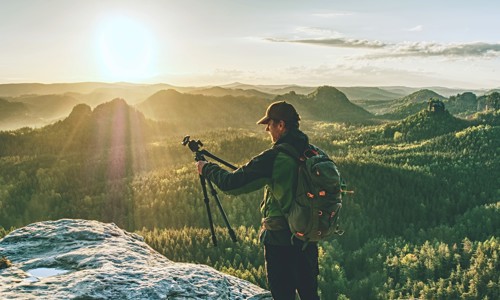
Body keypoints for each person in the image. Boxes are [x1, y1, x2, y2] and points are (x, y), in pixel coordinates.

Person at [195, 101, 320, 300]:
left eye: (269, 125)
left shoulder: (274, 157)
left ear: (281, 125)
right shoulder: (313, 152)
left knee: (283, 295)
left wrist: (206, 168)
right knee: (310, 295)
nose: (267, 130)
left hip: (280, 242)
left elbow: (231, 183)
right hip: (308, 239)